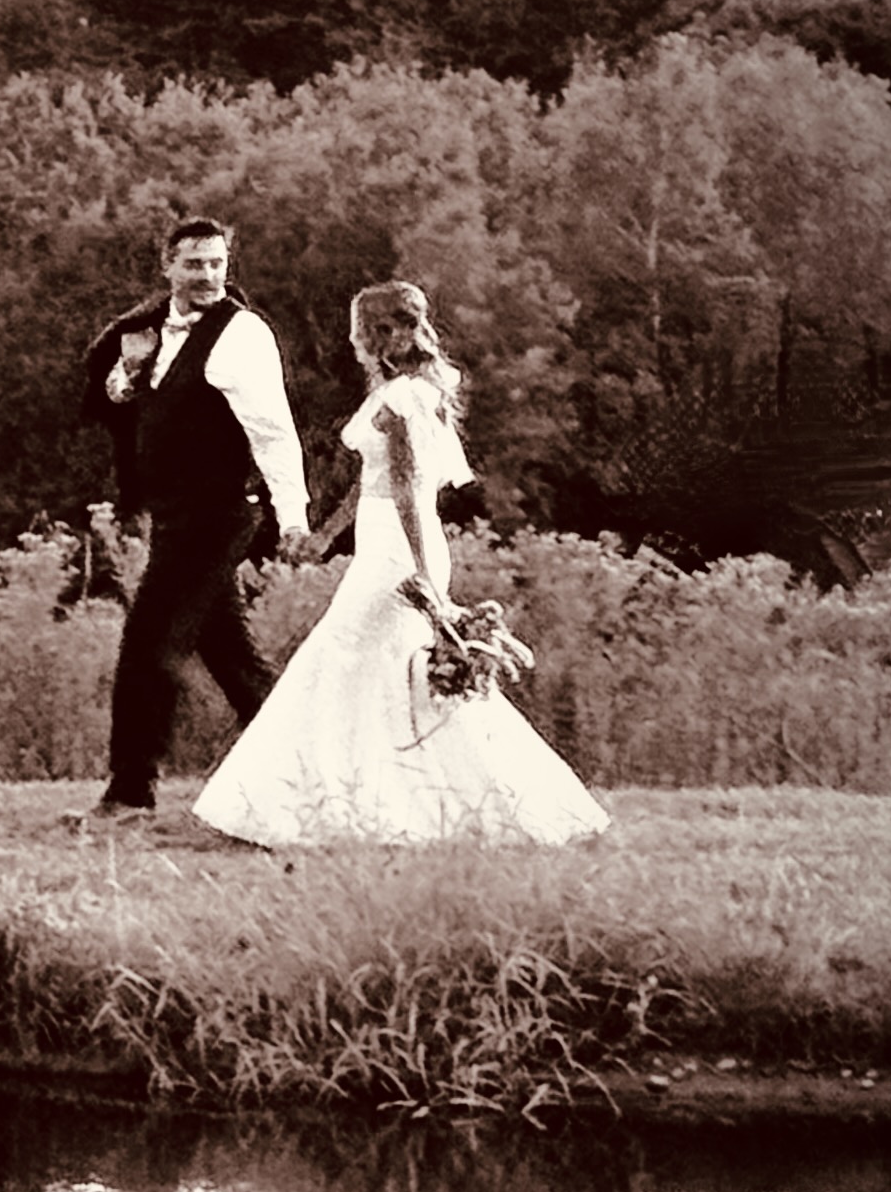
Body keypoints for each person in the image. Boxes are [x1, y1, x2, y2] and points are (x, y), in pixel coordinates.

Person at [191, 283, 609, 847]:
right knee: (382, 673)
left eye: (355, 327)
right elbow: (372, 483)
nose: (350, 338)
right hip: (379, 541)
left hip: (399, 553)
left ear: (377, 334)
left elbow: (411, 490)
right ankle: (359, 802)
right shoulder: (394, 391)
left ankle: (282, 809)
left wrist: (425, 577)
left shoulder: (408, 397)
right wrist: (324, 538)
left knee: (340, 658)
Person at [76, 217, 311, 821]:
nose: (207, 275)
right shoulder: (152, 331)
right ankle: (309, 771)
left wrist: (293, 517)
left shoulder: (243, 334)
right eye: (194, 264)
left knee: (148, 646)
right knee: (233, 659)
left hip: (217, 516)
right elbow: (122, 396)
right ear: (168, 267)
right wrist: (130, 370)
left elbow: (274, 431)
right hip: (177, 518)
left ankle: (131, 793)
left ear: (228, 266)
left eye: (216, 263)